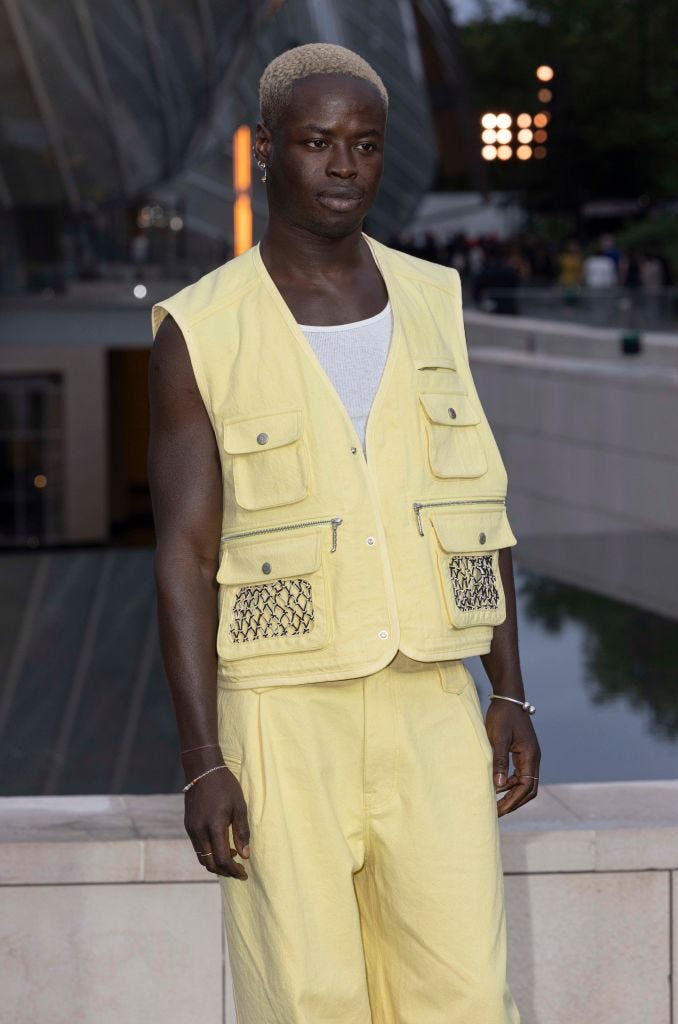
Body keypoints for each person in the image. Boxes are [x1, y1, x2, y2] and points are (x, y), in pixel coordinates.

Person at [147, 42, 540, 1024]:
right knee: (308, 997)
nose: (342, 165)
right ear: (268, 150)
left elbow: (479, 513)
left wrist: (512, 690)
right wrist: (203, 758)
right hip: (282, 713)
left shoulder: (432, 299)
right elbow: (186, 557)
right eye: (317, 141)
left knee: (464, 995)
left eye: (363, 144)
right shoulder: (200, 328)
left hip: (431, 706)